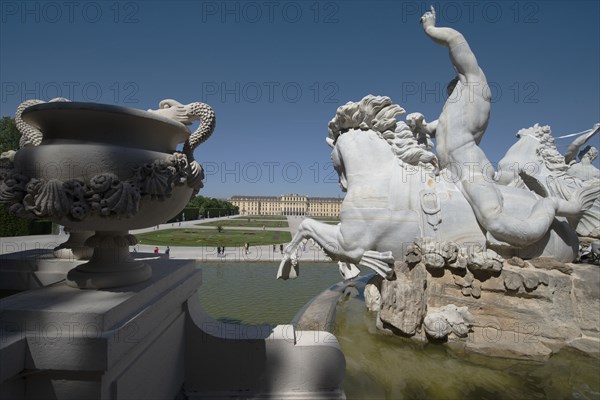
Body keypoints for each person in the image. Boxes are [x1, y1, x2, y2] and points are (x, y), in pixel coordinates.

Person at [407, 6, 595, 247]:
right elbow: (430, 128)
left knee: (494, 222)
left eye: (453, 85)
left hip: (470, 169)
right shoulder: (448, 112)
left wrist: (430, 28)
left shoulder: (475, 86)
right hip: (445, 172)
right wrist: (418, 123)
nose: (449, 91)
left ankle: (553, 205)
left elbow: (456, 40)